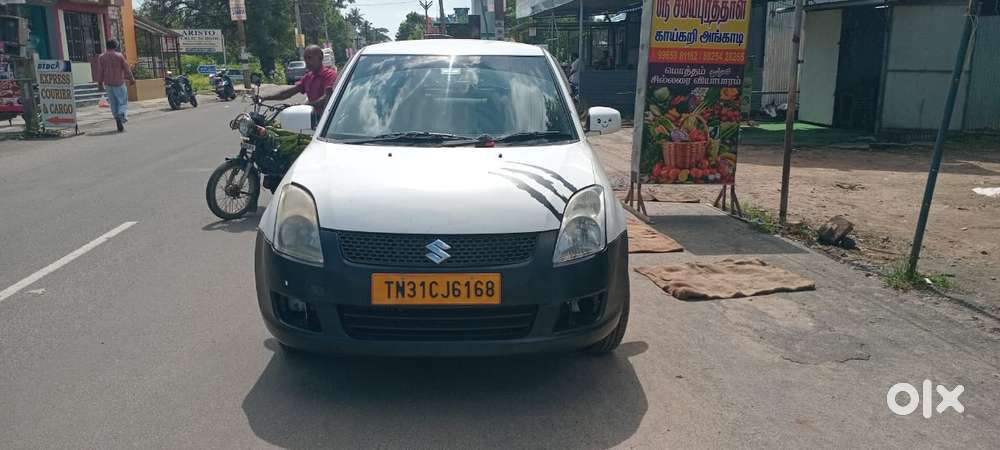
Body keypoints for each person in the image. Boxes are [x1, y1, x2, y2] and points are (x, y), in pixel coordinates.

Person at [260, 45, 337, 116]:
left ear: (320, 57)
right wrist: (265, 97)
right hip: (311, 118)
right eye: (305, 59)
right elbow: (288, 93)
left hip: (328, 120)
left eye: (310, 58)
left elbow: (327, 98)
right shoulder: (308, 77)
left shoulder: (329, 75)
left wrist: (304, 106)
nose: (307, 62)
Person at [95, 40, 134, 132]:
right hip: (119, 83)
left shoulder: (101, 57)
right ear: (115, 46)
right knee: (122, 101)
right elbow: (126, 68)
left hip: (108, 84)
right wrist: (131, 78)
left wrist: (100, 83)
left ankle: (117, 120)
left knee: (113, 104)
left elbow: (100, 71)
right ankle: (121, 114)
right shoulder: (119, 56)